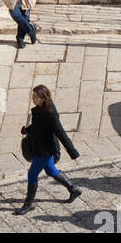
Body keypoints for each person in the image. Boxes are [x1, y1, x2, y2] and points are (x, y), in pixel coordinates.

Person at [15, 84, 82, 215]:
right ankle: (73, 189)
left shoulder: (50, 114)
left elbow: (61, 133)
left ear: (43, 98)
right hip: (40, 146)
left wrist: (73, 153)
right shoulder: (40, 108)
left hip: (45, 150)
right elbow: (37, 125)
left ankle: (29, 204)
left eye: (35, 97)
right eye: (32, 96)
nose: (32, 99)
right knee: (51, 170)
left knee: (32, 174)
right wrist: (27, 130)